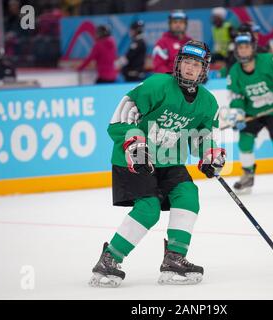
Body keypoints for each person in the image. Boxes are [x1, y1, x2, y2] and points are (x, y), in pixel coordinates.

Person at [89, 40, 226, 287]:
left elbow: (202, 137)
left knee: (188, 194)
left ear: (204, 70)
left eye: (196, 64)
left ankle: (174, 259)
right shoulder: (157, 85)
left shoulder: (208, 102)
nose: (189, 68)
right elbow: (120, 119)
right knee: (149, 209)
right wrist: (134, 144)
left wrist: (209, 155)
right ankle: (109, 260)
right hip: (134, 158)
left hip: (169, 160)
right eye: (186, 61)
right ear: (178, 63)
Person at [225, 32, 273, 193]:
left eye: (246, 47)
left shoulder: (269, 60)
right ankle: (248, 176)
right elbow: (237, 97)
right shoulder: (234, 72)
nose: (243, 50)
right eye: (240, 47)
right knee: (244, 141)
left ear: (253, 48)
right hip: (253, 112)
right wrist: (238, 114)